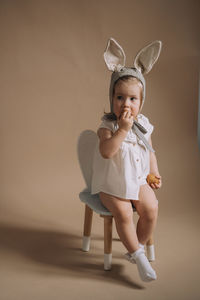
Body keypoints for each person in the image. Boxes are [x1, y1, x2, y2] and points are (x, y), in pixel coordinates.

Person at [91, 38, 162, 282]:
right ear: (112, 98)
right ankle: (140, 258)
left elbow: (150, 151)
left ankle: (136, 247)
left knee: (151, 208)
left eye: (133, 99)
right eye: (120, 97)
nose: (126, 104)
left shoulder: (143, 126)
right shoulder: (108, 125)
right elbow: (106, 152)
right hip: (111, 184)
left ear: (141, 102)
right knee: (123, 212)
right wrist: (121, 130)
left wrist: (154, 172)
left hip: (137, 179)